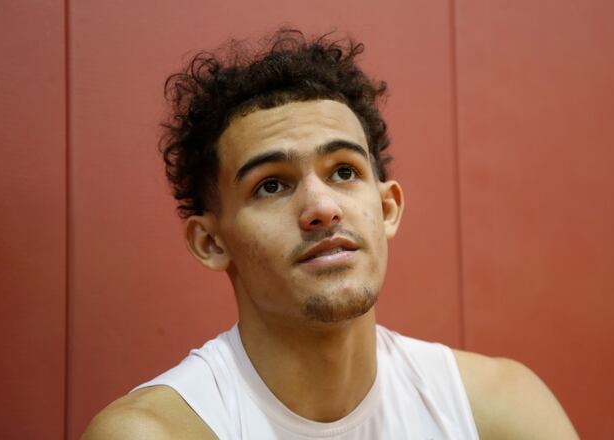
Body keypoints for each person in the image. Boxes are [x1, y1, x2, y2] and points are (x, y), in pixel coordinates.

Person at [83, 29, 579, 439]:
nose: (321, 208)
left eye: (343, 172)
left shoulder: (498, 412)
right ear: (211, 242)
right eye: (271, 185)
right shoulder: (156, 432)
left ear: (387, 208)